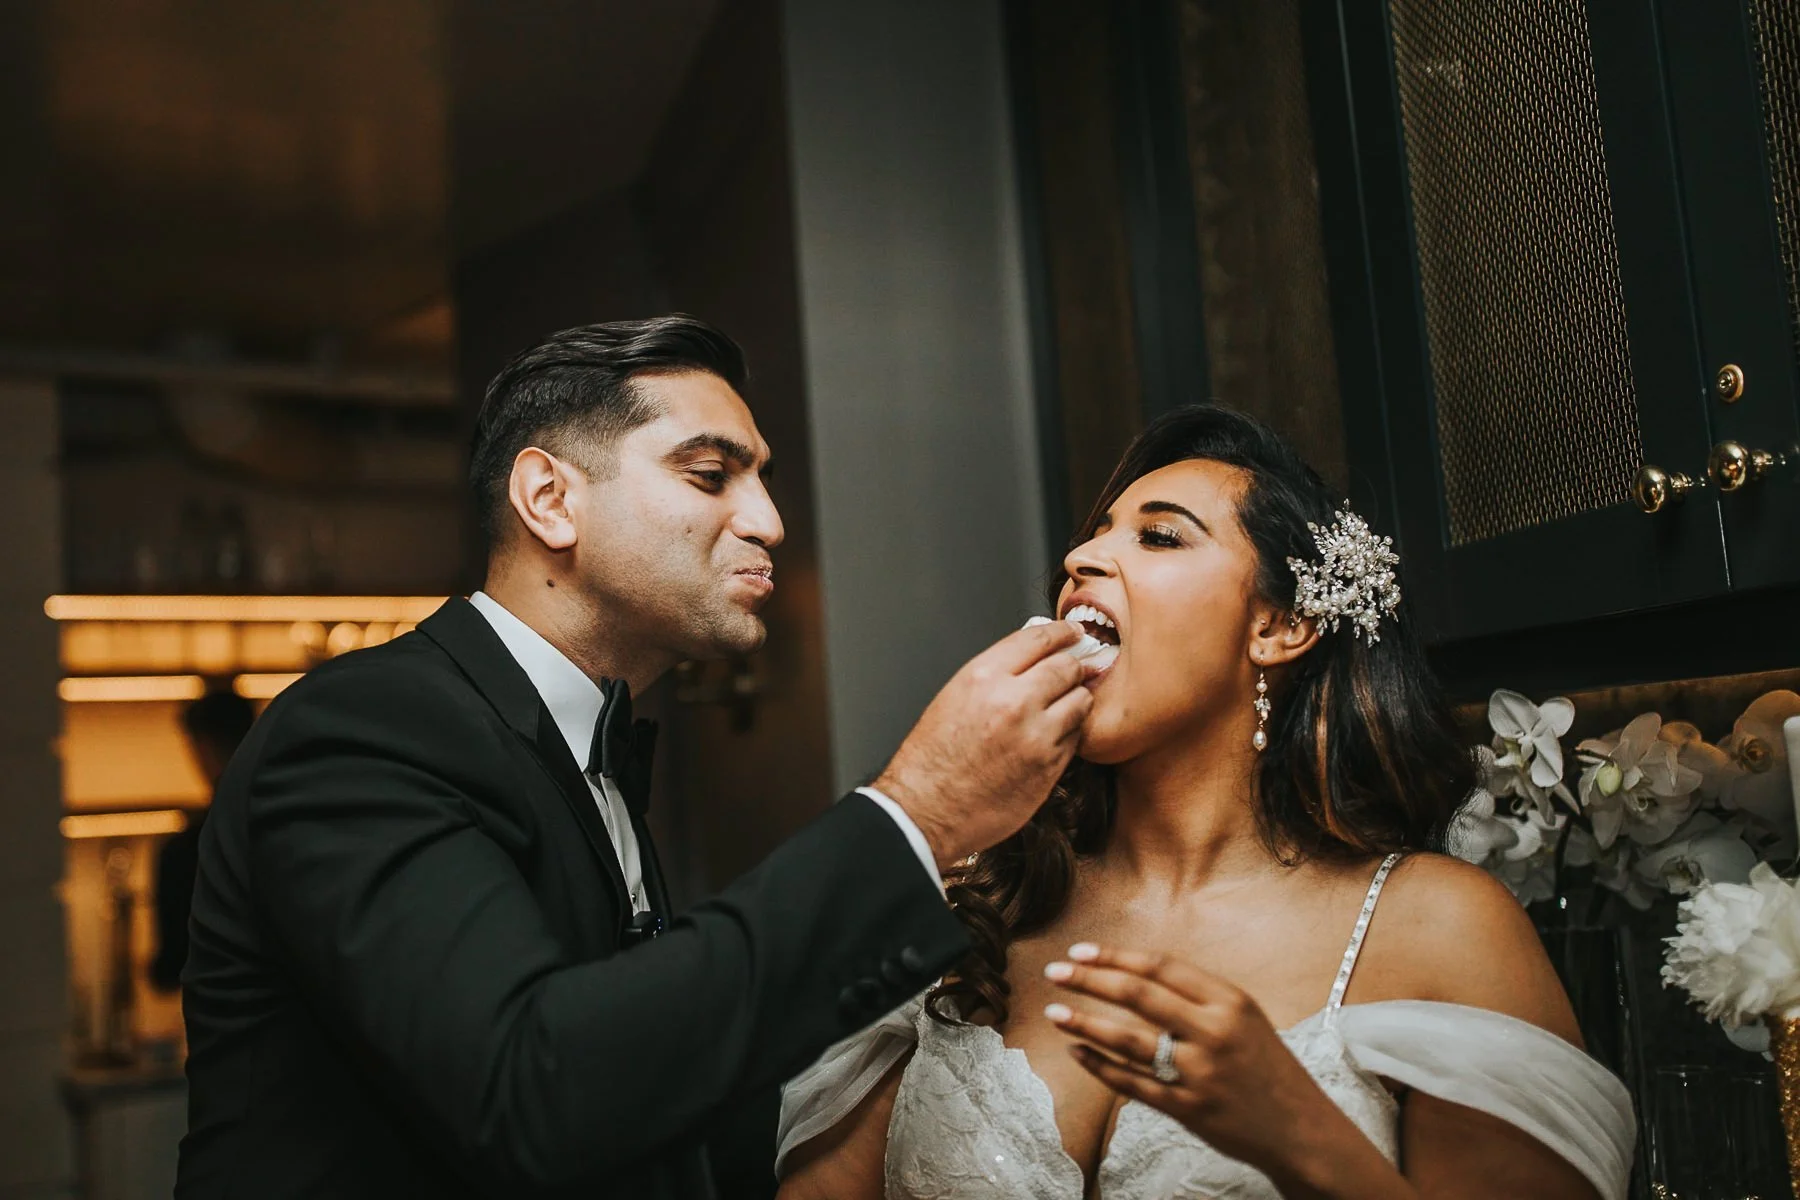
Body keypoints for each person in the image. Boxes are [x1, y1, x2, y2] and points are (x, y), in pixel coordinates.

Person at [176, 316, 1100, 1199]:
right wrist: (919, 812)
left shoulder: (585, 752)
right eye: (710, 475)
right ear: (549, 499)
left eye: (762, 482)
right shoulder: (364, 727)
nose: (770, 523)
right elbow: (531, 1092)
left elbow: (644, 1093)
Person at [775, 406, 1636, 1199]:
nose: (1079, 560)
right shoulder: (970, 898)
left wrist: (1294, 1132)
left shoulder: (1440, 928)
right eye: (1091, 536)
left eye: (1159, 537)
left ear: (1278, 627)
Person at [150, 689, 256, 992]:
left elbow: (173, 964)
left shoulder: (188, 849)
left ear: (203, 747)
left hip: (221, 1010)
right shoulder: (288, 825)